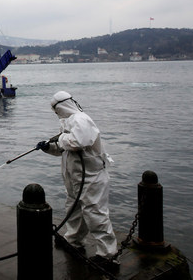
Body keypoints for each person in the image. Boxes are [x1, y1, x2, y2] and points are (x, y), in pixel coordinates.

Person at [36, 91, 118, 268]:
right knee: (74, 209)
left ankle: (108, 255)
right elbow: (62, 149)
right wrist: (48, 147)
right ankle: (73, 240)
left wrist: (61, 138)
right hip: (76, 178)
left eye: (57, 109)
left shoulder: (80, 119)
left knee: (95, 213)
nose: (56, 113)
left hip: (91, 177)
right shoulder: (67, 123)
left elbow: (78, 142)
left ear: (62, 106)